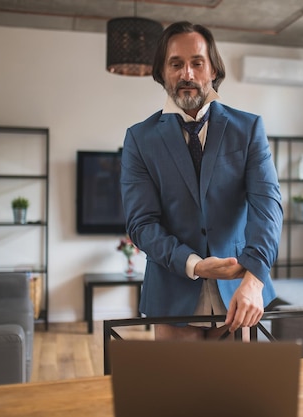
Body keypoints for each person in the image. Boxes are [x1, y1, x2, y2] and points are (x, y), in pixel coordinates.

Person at [120, 21, 283, 340]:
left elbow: (268, 209)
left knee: (232, 391)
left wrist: (254, 278)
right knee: (178, 391)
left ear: (213, 70)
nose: (187, 74)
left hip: (239, 295)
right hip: (170, 294)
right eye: (176, 64)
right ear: (162, 73)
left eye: (197, 63)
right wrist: (195, 264)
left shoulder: (248, 129)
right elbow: (141, 224)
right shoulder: (139, 139)